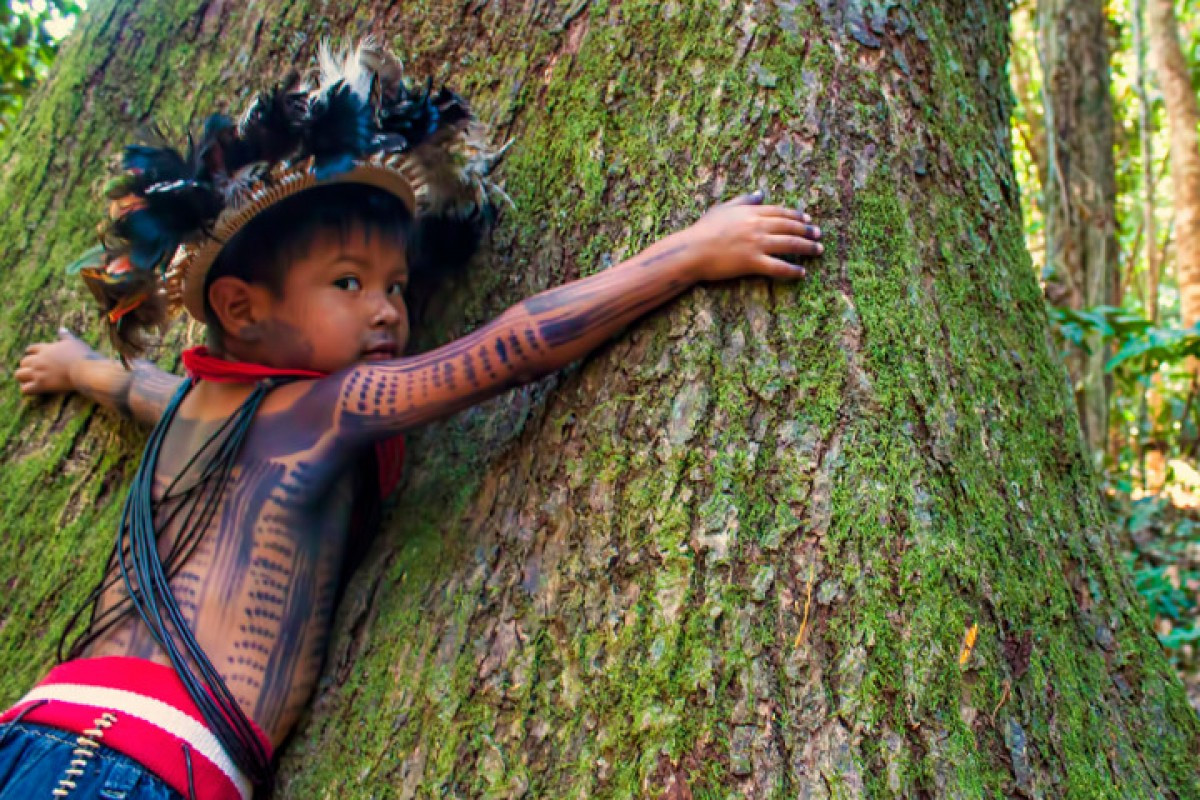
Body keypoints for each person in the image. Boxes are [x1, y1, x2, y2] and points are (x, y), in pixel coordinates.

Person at [1, 40, 823, 800]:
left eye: (396, 286)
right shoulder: (329, 406)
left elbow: (132, 388)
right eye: (349, 284)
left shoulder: (193, 407)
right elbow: (513, 346)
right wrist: (687, 252)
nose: (391, 310)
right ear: (240, 309)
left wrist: (81, 370)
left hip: (44, 733)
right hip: (126, 763)